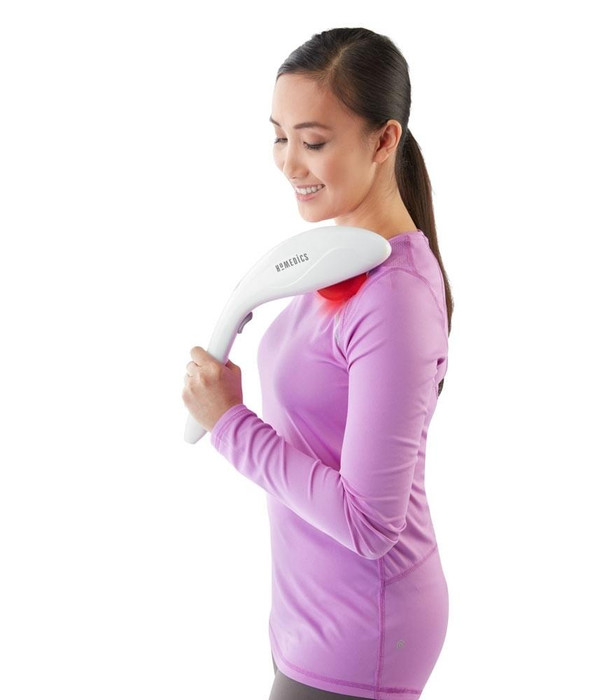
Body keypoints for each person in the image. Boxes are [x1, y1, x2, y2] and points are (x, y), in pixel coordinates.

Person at [182, 27, 455, 700]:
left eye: (313, 142)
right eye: (280, 137)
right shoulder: (342, 262)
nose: (289, 163)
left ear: (384, 141)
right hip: (313, 621)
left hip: (363, 633)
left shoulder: (395, 297)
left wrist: (229, 424)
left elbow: (369, 522)